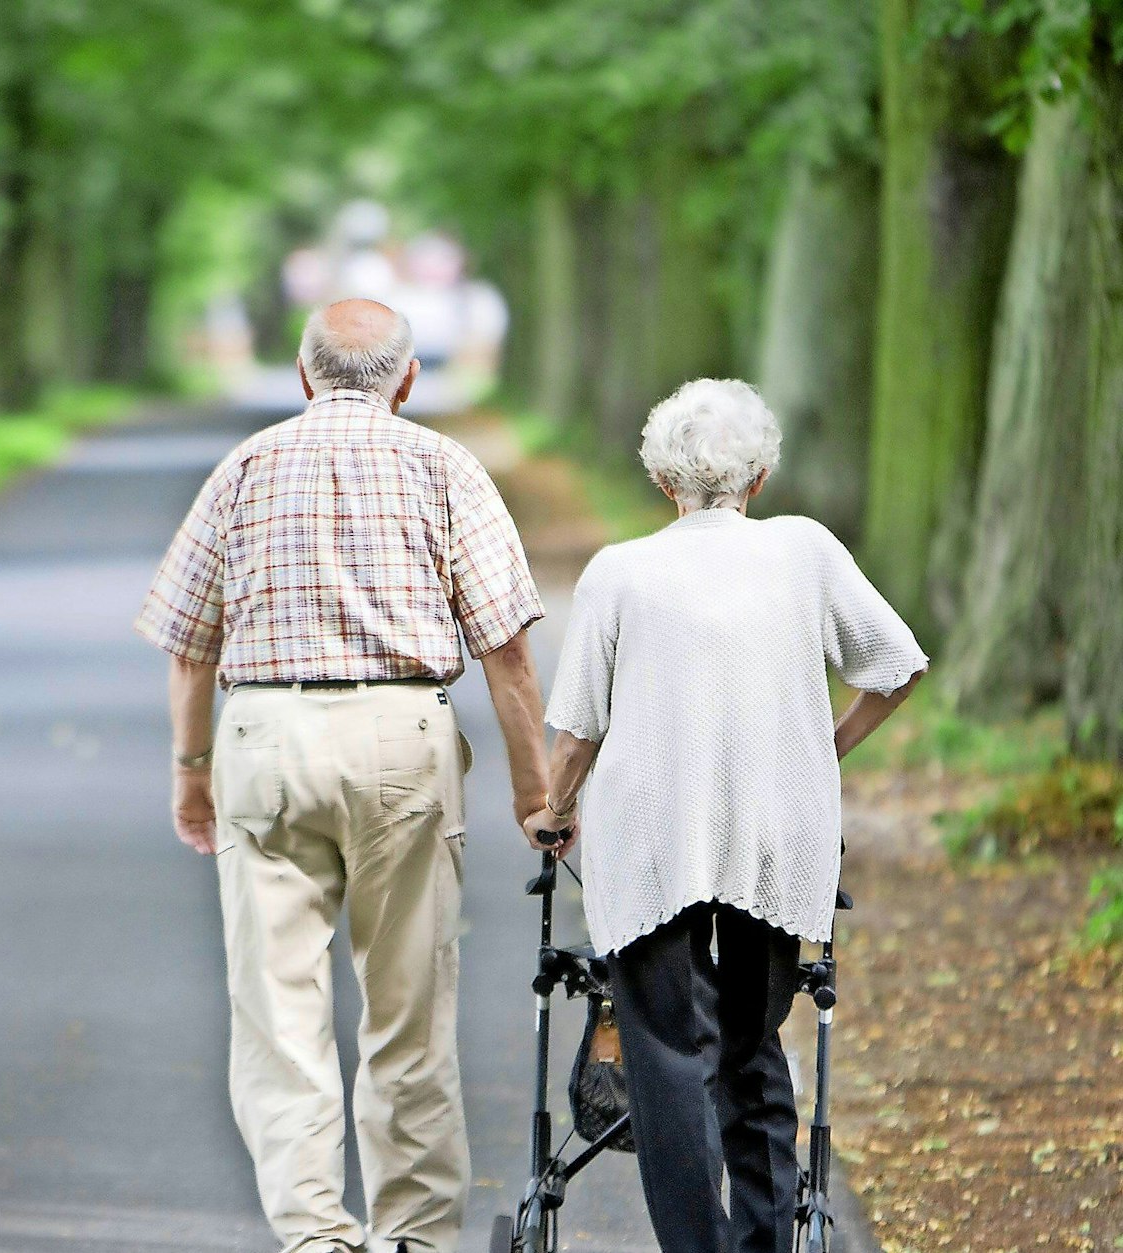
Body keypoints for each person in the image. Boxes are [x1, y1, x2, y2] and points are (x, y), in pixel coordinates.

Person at [135, 299, 552, 1253]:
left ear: (301, 373)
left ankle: (317, 1235)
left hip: (266, 738)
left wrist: (191, 773)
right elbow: (509, 652)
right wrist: (537, 796)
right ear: (407, 380)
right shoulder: (445, 466)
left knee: (279, 1016)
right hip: (401, 735)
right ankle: (412, 1235)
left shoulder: (244, 467)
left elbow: (189, 647)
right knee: (409, 1011)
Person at [526, 378, 928, 1253]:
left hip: (651, 837)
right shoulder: (805, 550)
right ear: (760, 476)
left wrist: (555, 811)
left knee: (668, 1057)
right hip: (774, 831)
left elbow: (577, 731)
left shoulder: (619, 571)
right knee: (753, 1044)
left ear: (665, 481)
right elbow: (896, 664)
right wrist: (821, 745)